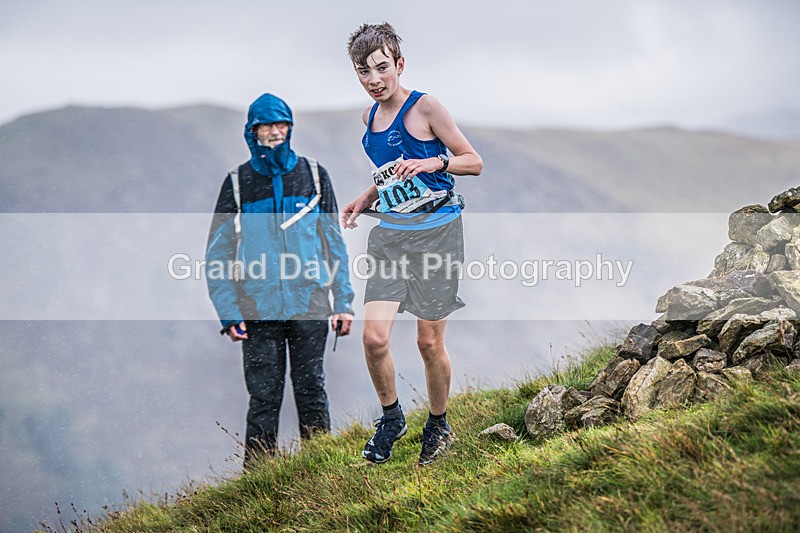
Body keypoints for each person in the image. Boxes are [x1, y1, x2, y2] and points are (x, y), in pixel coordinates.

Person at [342, 23, 483, 466]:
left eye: (382, 68)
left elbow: (473, 161)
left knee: (427, 343)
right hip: (390, 235)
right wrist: (366, 198)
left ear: (399, 65)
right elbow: (388, 175)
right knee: (374, 338)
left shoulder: (427, 108)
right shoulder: (368, 118)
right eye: (363, 72)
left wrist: (434, 160)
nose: (373, 80)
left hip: (438, 234)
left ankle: (439, 426)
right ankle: (392, 418)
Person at [205, 93, 355, 466]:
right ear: (251, 132)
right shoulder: (238, 184)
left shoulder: (314, 175)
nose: (273, 132)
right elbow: (218, 254)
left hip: (310, 302)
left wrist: (343, 302)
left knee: (311, 390)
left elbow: (333, 242)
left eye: (280, 124)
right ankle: (258, 482)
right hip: (258, 309)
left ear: (290, 128)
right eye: (265, 126)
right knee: (264, 397)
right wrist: (229, 312)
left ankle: (321, 474)